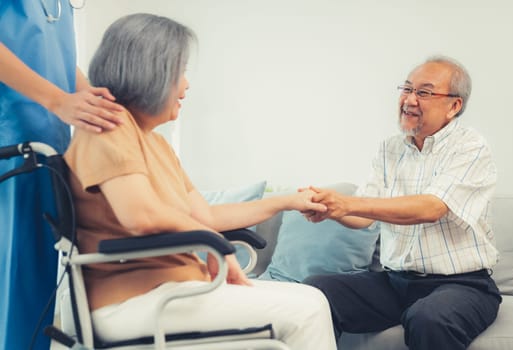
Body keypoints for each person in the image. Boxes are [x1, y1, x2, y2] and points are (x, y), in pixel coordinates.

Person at [63, 13, 337, 349]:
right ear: (152, 73)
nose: (186, 85)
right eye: (180, 73)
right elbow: (141, 216)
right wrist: (211, 241)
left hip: (173, 291)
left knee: (311, 301)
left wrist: (286, 201)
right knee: (307, 310)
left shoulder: (155, 142)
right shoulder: (109, 128)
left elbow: (205, 216)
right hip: (132, 300)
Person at [304, 56, 501, 350]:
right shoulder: (390, 148)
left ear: (454, 106)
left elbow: (431, 208)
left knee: (429, 318)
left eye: (424, 92)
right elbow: (364, 216)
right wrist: (331, 208)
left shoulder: (471, 147)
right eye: (407, 89)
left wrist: (349, 204)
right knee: (314, 292)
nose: (409, 99)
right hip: (395, 284)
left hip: (463, 285)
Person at [0, 1, 123, 349]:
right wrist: (58, 101)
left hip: (49, 149)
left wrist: (87, 96)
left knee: (36, 285)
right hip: (12, 144)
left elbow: (54, 58)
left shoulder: (62, 6)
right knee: (13, 284)